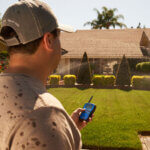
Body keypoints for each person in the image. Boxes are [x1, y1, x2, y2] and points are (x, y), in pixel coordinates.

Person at [0, 0, 93, 150]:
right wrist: (54, 126)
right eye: (59, 37)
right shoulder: (44, 114)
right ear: (48, 40)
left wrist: (66, 128)